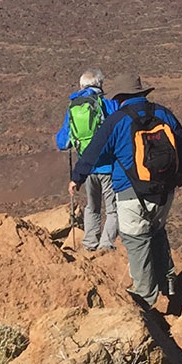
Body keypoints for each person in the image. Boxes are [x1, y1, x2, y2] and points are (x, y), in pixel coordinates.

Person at [68, 73, 182, 308]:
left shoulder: (117, 120)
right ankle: (168, 286)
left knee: (136, 241)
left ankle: (146, 300)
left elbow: (94, 152)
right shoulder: (163, 113)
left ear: (121, 97)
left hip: (129, 192)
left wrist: (77, 177)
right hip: (164, 191)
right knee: (156, 232)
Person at [56, 70, 118, 252]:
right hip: (109, 166)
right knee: (113, 210)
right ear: (100, 85)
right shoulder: (108, 105)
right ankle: (106, 246)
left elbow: (62, 142)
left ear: (81, 86)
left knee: (92, 207)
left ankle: (90, 244)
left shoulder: (74, 108)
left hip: (87, 168)